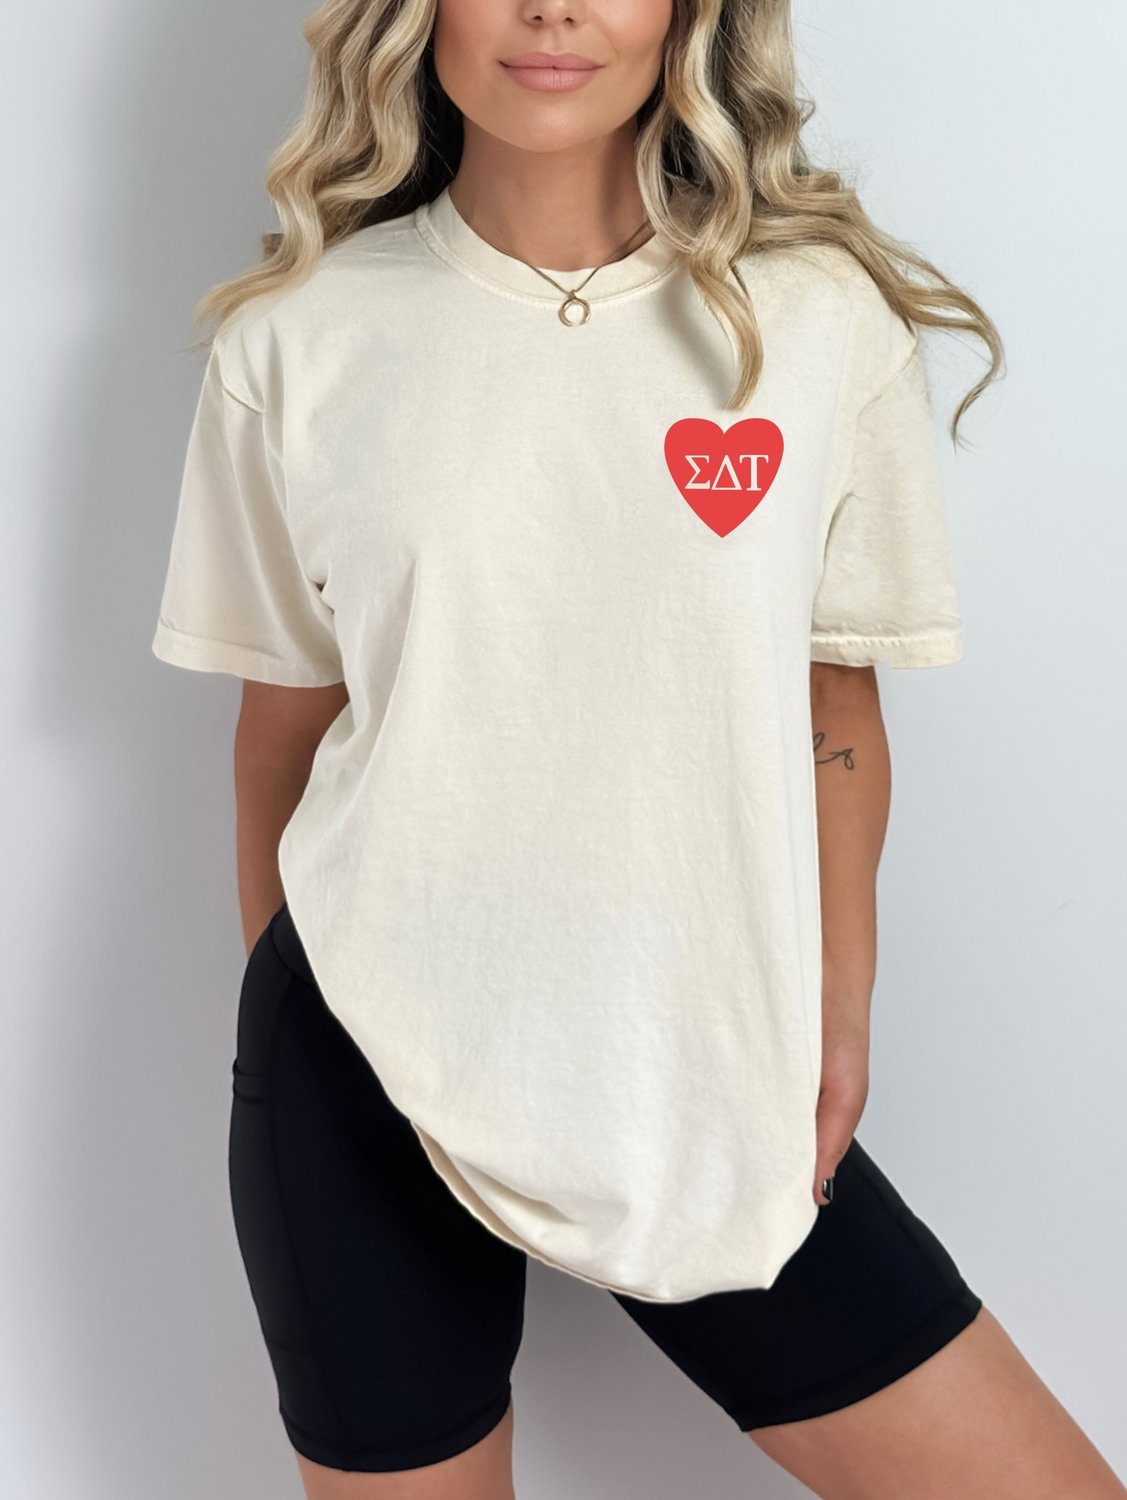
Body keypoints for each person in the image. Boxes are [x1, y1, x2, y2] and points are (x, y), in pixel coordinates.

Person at [151, 0, 1126, 1496]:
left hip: (709, 1055)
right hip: (360, 1070)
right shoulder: (298, 340)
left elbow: (835, 706)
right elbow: (279, 731)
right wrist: (350, 1029)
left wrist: (835, 1013)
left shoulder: (817, 322)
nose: (553, 9)